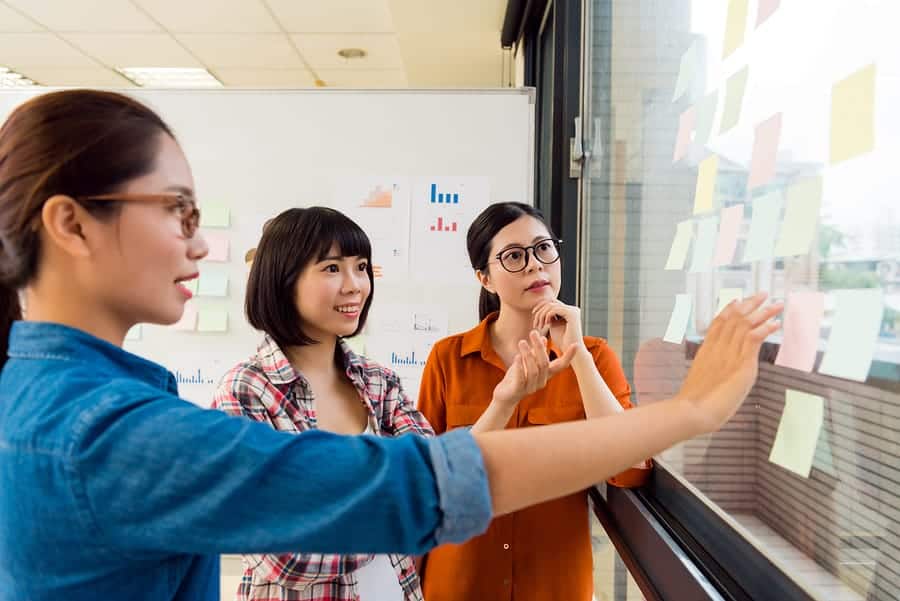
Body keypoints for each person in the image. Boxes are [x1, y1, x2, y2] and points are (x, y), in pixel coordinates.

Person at [0, 89, 782, 600]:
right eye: (177, 210)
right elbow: (409, 485)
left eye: (362, 267)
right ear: (70, 224)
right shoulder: (107, 428)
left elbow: (427, 474)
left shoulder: (68, 399)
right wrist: (690, 408)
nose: (198, 245)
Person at [417, 202, 652, 600]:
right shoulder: (448, 358)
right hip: (460, 581)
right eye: (513, 256)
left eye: (544, 248)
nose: (534, 265)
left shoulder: (594, 358)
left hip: (553, 584)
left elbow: (629, 470)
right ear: (485, 278)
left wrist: (576, 356)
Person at [213, 206, 434, 600]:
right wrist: (397, 513)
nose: (355, 285)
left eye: (361, 266)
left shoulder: (377, 380)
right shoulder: (246, 390)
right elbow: (281, 553)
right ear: (283, 280)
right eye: (332, 268)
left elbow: (433, 483)